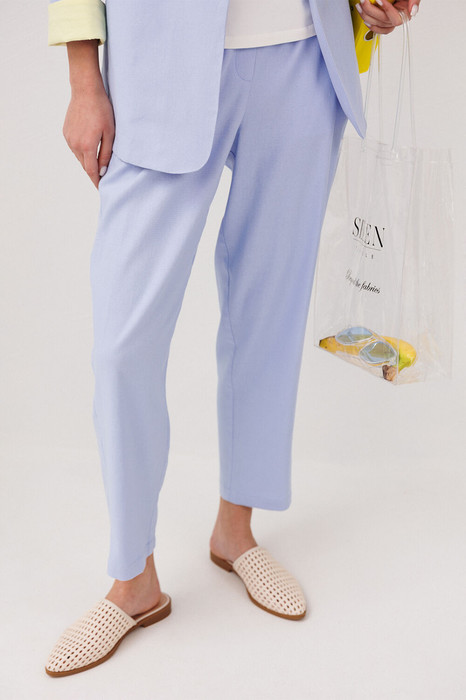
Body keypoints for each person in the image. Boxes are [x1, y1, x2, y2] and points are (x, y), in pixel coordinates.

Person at [44, 0, 420, 677]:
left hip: (305, 56)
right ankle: (133, 579)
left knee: (269, 313)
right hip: (158, 69)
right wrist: (83, 79)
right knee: (122, 346)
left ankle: (236, 529)